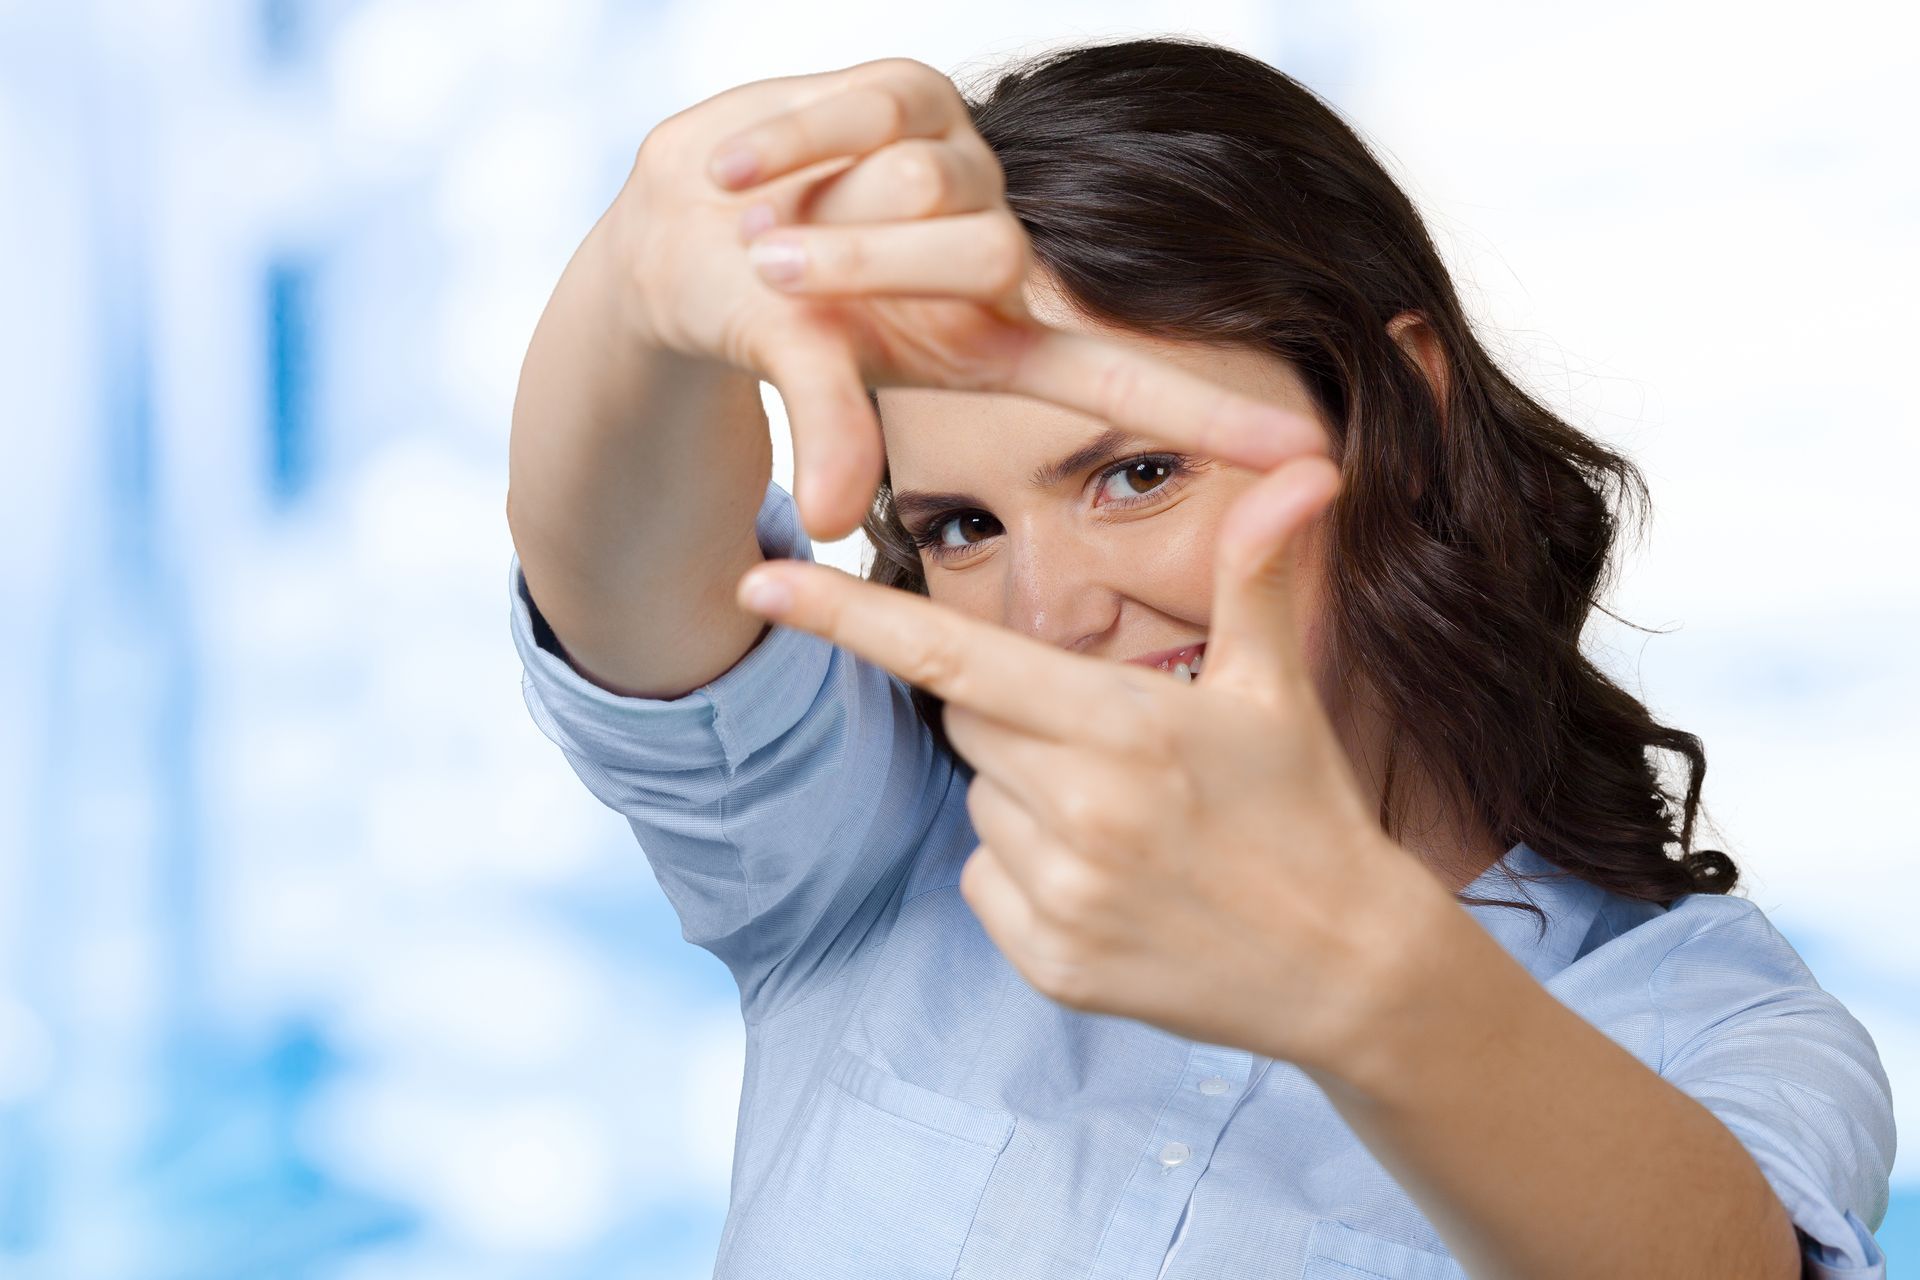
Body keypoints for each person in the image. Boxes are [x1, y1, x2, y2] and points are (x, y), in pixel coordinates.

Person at [503, 36, 1896, 1279]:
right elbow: (624, 574)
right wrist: (635, 286)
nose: (1049, 618)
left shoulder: (1721, 1029)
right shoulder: (878, 831)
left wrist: (1362, 975)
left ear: (1395, 402)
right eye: (966, 525)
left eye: (1138, 473)